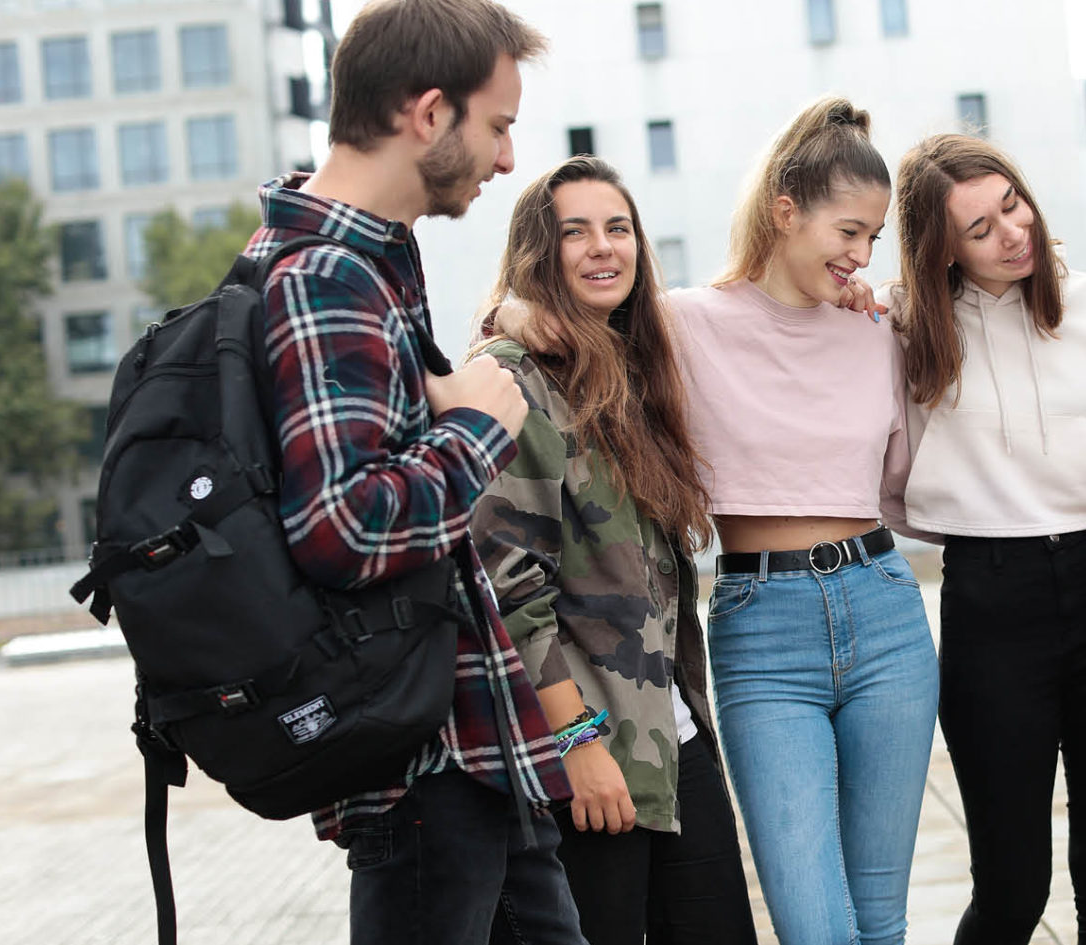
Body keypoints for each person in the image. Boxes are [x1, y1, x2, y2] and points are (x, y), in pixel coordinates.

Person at [238, 1, 587, 941]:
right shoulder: (325, 278)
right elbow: (342, 525)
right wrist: (477, 427)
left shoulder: (371, 265)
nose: (508, 159)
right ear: (429, 114)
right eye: (499, 125)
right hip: (423, 770)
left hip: (474, 751)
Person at [886, 133, 1086, 944]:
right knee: (1014, 888)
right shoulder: (905, 327)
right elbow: (891, 479)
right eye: (978, 230)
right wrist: (978, 520)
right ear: (940, 249)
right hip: (989, 601)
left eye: (1011, 204)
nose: (1011, 233)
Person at [468, 155, 758, 945]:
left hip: (675, 739)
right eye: (576, 232)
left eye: (617, 228)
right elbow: (504, 587)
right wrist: (576, 744)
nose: (603, 247)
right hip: (588, 751)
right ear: (539, 251)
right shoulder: (513, 378)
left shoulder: (635, 370)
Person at [669, 96, 937, 945]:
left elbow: (902, 475)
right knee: (814, 926)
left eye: (872, 237)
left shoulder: (876, 334)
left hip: (887, 609)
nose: (861, 255)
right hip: (761, 627)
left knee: (881, 917)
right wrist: (519, 319)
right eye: (847, 231)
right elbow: (559, 328)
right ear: (785, 212)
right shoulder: (684, 324)